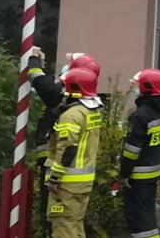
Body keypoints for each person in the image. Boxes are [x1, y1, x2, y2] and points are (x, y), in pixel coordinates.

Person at [45, 66, 105, 238]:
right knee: (75, 225)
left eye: (65, 86)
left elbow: (67, 148)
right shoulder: (91, 111)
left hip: (67, 182)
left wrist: (55, 175)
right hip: (82, 182)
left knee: (64, 226)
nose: (63, 90)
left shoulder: (71, 115)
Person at [120, 69, 160, 238]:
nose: (136, 88)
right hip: (152, 171)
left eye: (138, 85)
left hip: (138, 175)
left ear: (147, 88)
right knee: (148, 214)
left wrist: (124, 173)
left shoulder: (140, 115)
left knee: (139, 218)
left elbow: (131, 151)